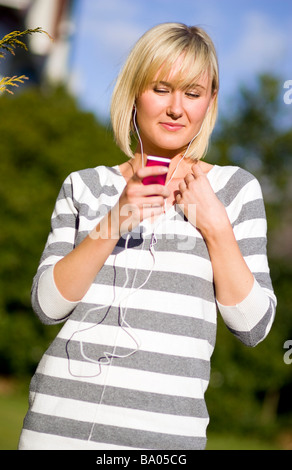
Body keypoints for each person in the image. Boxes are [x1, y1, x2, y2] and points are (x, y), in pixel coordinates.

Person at [18, 23, 276, 450]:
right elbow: (47, 306)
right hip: (56, 430)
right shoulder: (85, 186)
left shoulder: (234, 190)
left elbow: (253, 326)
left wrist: (215, 226)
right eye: (161, 89)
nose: (177, 108)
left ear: (209, 101)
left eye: (192, 93)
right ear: (135, 92)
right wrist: (114, 220)